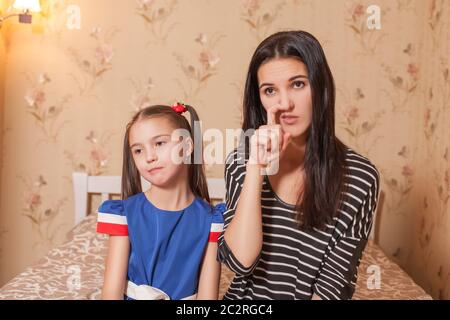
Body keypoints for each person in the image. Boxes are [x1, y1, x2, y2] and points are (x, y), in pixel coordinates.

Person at [218, 31, 380, 300]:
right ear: (259, 99)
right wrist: (256, 168)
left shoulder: (359, 177)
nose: (285, 104)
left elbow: (332, 288)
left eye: (297, 84)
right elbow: (239, 262)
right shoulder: (241, 164)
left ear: (320, 87)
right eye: (270, 90)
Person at [97, 103, 225, 300]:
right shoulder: (124, 214)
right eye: (138, 150)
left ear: (187, 146)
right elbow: (111, 294)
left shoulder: (212, 220)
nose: (149, 157)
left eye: (159, 143)